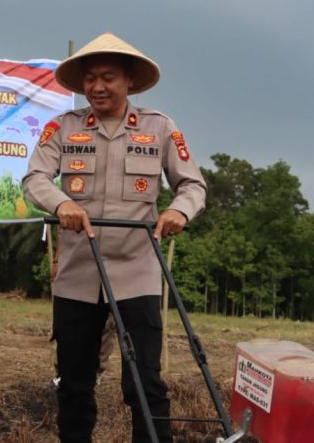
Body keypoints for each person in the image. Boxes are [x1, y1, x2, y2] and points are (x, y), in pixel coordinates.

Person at [22, 32, 207, 443]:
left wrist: (178, 211)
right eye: (90, 78)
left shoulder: (160, 128)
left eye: (107, 77)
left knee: (145, 383)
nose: (97, 86)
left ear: (128, 81)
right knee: (73, 383)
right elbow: (34, 178)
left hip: (137, 273)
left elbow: (193, 185)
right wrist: (60, 204)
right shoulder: (62, 128)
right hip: (77, 275)